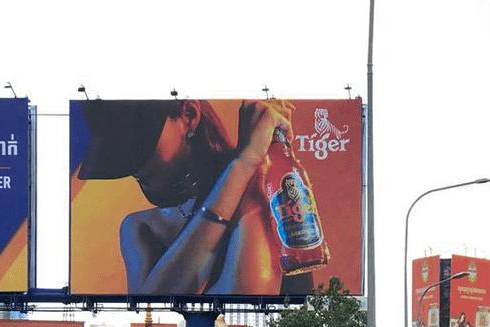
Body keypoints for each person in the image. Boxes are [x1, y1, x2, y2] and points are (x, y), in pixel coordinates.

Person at [76, 99, 315, 296]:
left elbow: (244, 302)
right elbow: (148, 306)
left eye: (140, 144)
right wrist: (245, 163)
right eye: (117, 152)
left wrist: (254, 161)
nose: (133, 167)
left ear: (189, 116)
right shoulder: (139, 227)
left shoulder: (272, 197)